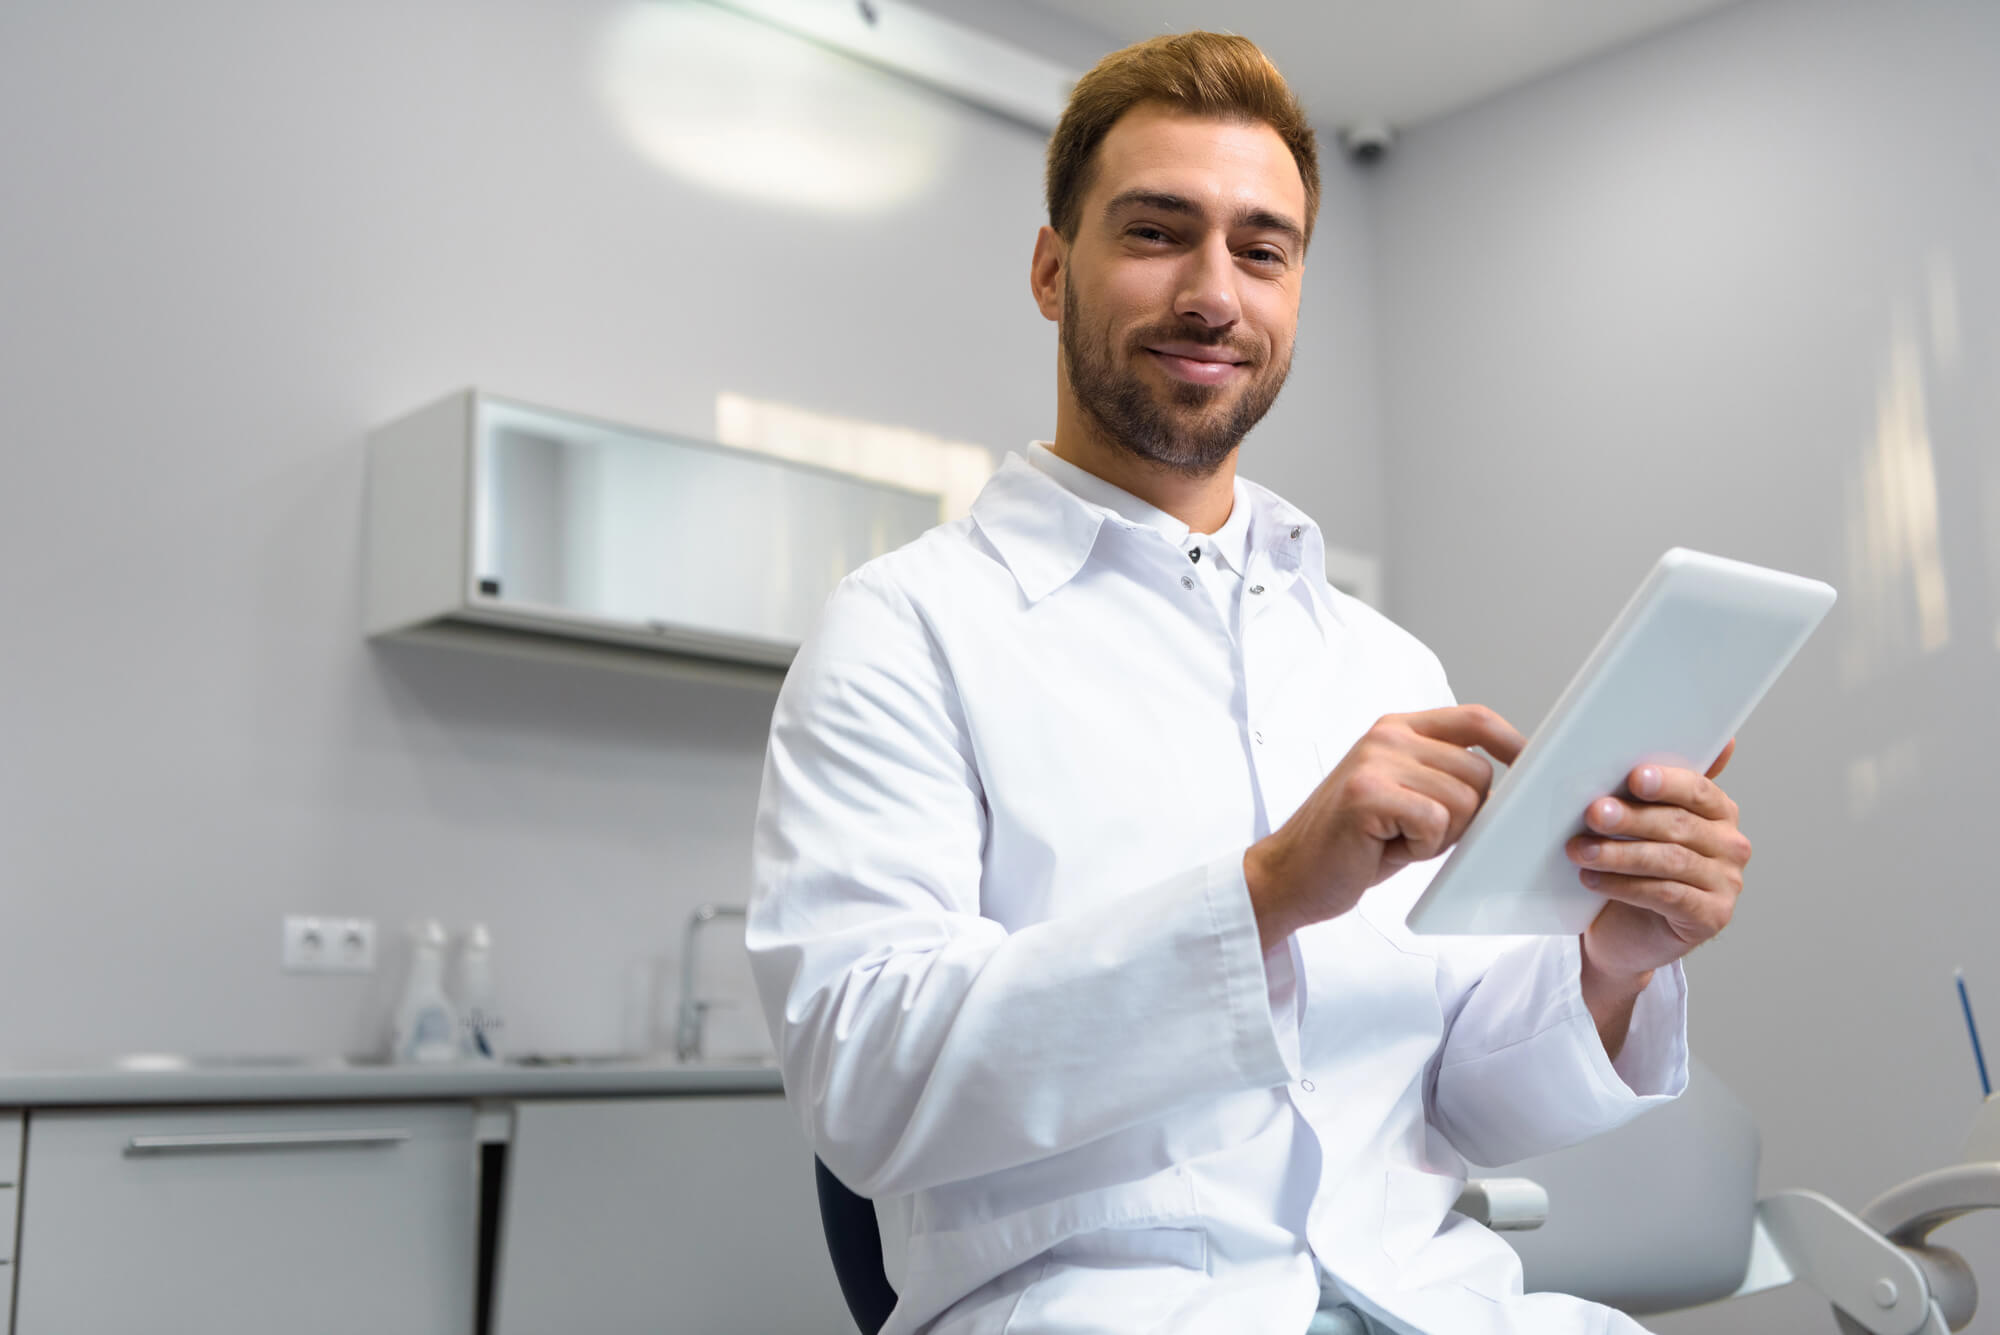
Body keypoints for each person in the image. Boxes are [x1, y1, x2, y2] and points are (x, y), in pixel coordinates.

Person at [746, 31, 1750, 1335]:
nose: (1214, 294)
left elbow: (1457, 1105)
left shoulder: (1380, 662)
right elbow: (865, 1086)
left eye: (1262, 251)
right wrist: (1268, 891)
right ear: (1051, 270)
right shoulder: (906, 630)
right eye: (1157, 233)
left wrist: (1611, 963)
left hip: (1433, 1304)